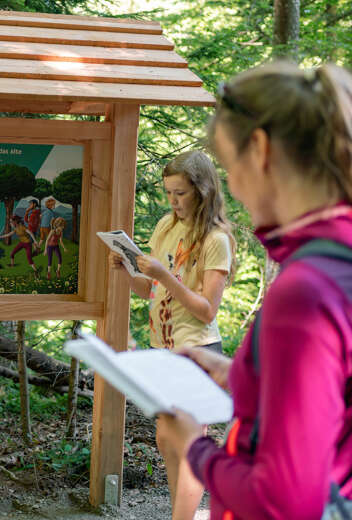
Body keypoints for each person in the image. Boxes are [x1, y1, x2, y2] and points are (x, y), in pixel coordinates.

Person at [157, 61, 352, 520]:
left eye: (228, 166)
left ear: (260, 149)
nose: (235, 191)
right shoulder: (338, 261)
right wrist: (240, 373)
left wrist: (195, 449)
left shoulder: (305, 291)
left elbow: (284, 500)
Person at [109, 150, 236, 520]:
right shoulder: (166, 226)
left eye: (180, 193)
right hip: (162, 349)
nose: (173, 201)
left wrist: (165, 276)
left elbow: (206, 309)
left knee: (187, 443)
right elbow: (148, 290)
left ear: (202, 190)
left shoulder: (216, 239)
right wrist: (126, 269)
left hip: (197, 351)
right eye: (168, 193)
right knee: (166, 440)